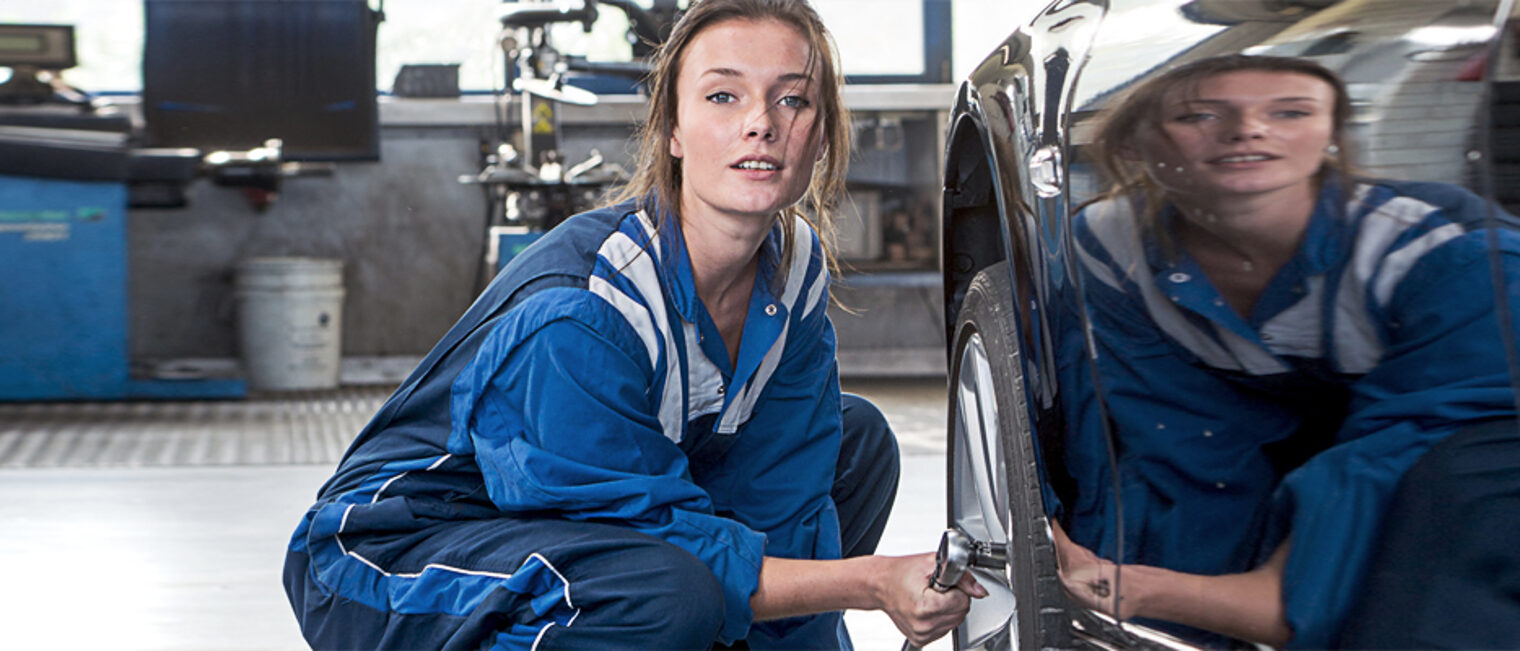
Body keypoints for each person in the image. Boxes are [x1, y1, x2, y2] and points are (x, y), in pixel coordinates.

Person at [281, 1, 983, 649]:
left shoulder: (790, 273)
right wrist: (871, 581)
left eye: (792, 98)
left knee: (853, 445)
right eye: (722, 95)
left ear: (820, 133)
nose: (762, 122)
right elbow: (650, 537)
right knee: (665, 592)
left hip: (570, 538)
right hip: (397, 555)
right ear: (673, 131)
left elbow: (789, 509)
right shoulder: (585, 313)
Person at [1057, 54, 1520, 647]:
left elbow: (1396, 457)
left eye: (1290, 111)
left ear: (1331, 133)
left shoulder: (1455, 257)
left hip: (1458, 434)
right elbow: (1177, 440)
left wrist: (1174, 593)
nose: (1248, 129)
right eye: (1201, 114)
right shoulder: (1105, 249)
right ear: (1133, 142)